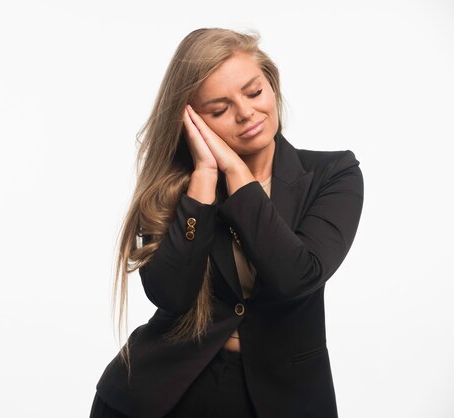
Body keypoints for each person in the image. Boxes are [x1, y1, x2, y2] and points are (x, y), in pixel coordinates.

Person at [89, 27, 364, 418]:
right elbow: (171, 295)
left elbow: (298, 276)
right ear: (192, 122)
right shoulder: (178, 191)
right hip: (161, 395)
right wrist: (204, 175)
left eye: (253, 92)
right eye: (219, 110)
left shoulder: (333, 173)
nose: (246, 113)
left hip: (282, 398)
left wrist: (237, 173)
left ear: (271, 84)